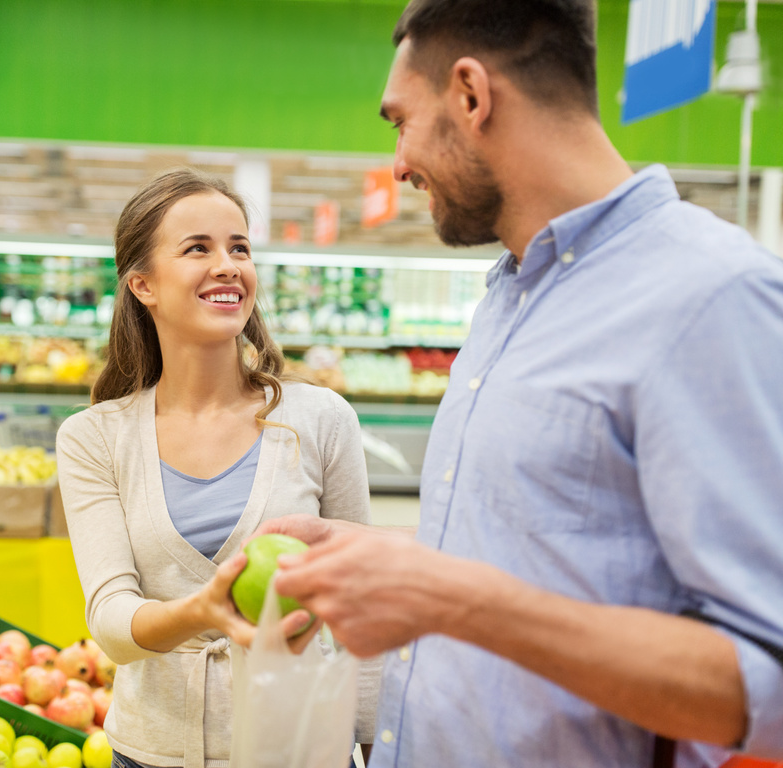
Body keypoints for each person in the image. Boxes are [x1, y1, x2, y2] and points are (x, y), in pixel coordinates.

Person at [260, 1, 783, 767]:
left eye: (399, 121)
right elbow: (564, 550)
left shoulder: (711, 296)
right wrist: (380, 555)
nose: (398, 163)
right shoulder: (512, 293)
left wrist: (447, 597)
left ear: (471, 95)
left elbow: (765, 689)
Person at [56, 168, 380, 768]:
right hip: (153, 752)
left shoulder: (319, 418)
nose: (228, 265)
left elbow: (358, 605)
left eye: (240, 248)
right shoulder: (94, 438)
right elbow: (111, 621)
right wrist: (203, 612)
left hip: (301, 747)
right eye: (197, 248)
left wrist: (372, 747)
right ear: (143, 284)